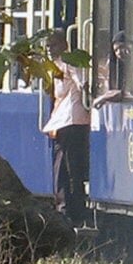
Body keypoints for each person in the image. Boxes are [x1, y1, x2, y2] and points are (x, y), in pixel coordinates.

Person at [41, 31, 90, 227]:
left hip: (72, 120)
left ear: (64, 44)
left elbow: (82, 83)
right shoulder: (56, 65)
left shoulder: (69, 62)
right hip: (64, 120)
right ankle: (68, 209)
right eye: (47, 46)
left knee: (67, 169)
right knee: (65, 168)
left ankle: (68, 211)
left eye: (52, 45)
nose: (49, 49)